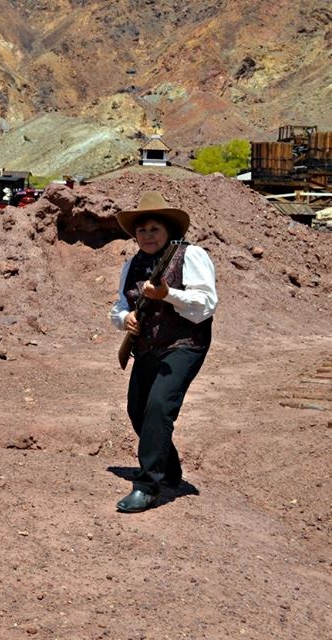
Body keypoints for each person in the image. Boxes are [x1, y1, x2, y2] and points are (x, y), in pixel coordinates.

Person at [108, 191, 217, 513]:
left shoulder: (191, 255)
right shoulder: (132, 264)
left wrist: (168, 294)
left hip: (185, 344)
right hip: (146, 347)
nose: (147, 235)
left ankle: (148, 486)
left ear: (168, 230)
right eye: (142, 230)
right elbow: (120, 306)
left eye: (154, 229)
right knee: (137, 410)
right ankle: (170, 470)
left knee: (159, 407)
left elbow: (205, 306)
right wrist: (124, 319)